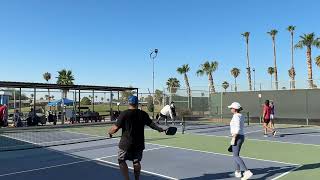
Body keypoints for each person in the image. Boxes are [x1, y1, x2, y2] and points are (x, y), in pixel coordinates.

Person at [108, 96, 165, 180]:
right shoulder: (143, 114)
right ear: (137, 103)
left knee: (121, 160)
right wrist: (159, 129)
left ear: (129, 103)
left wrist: (110, 132)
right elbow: (152, 124)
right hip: (139, 143)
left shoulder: (124, 114)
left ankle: (127, 179)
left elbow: (115, 128)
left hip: (125, 144)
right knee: (136, 161)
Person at [228, 102, 253, 180]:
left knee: (235, 156)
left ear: (235, 109)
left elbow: (237, 128)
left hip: (237, 137)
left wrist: (234, 138)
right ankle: (238, 172)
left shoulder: (236, 116)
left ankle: (247, 171)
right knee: (236, 154)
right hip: (240, 136)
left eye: (231, 108)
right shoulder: (240, 115)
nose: (230, 109)